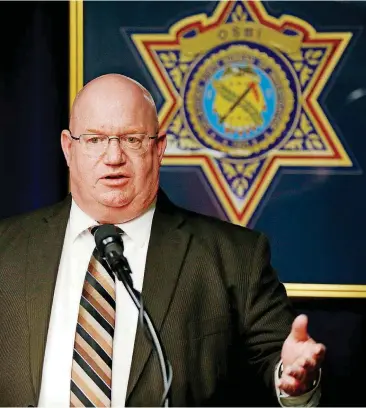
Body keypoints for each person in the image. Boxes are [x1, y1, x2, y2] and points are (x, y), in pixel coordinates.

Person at [0, 73, 325, 407]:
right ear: (69, 148)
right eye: (95, 140)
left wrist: (294, 381)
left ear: (158, 147)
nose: (114, 157)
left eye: (132, 139)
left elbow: (278, 363)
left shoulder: (235, 257)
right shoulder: (6, 251)